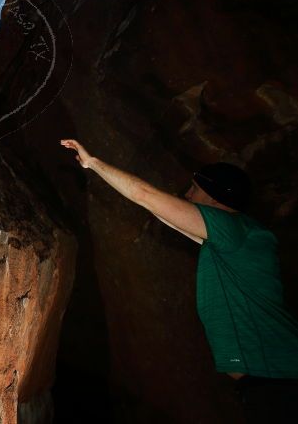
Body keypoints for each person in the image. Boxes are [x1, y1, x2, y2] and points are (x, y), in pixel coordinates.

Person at [60, 139, 298, 423]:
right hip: (270, 380)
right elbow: (163, 213)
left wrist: (93, 163)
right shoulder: (236, 238)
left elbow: (146, 195)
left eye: (195, 188)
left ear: (214, 197)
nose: (187, 194)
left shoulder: (234, 229)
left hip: (280, 381)